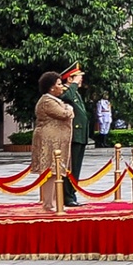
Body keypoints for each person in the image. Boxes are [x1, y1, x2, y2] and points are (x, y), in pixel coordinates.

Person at [31, 72, 75, 215]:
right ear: (51, 88)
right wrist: (69, 108)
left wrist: (68, 108)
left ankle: (55, 201)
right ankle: (48, 203)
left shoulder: (54, 100)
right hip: (49, 142)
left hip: (57, 142)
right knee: (51, 171)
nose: (62, 87)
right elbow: (64, 114)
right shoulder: (47, 101)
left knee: (57, 172)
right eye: (59, 84)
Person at [59, 64, 91, 208]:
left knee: (76, 168)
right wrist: (72, 84)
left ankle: (71, 194)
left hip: (80, 135)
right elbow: (66, 98)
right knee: (71, 167)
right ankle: (67, 196)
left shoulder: (75, 91)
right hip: (72, 134)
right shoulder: (66, 90)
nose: (81, 79)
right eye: (79, 77)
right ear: (70, 78)